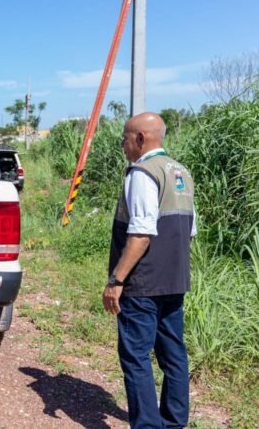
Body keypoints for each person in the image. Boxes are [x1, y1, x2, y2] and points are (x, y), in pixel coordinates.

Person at [103, 112, 196, 428]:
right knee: (173, 354)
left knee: (136, 357)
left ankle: (147, 425)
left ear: (140, 138)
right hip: (175, 280)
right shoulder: (181, 171)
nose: (123, 145)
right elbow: (189, 232)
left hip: (142, 284)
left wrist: (117, 279)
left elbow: (141, 233)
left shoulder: (142, 173)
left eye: (125, 138)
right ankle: (173, 421)